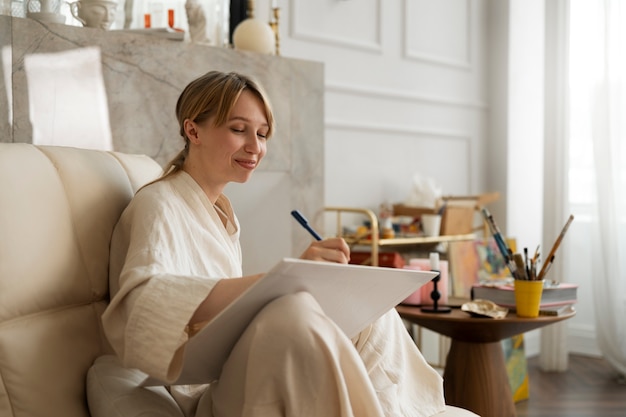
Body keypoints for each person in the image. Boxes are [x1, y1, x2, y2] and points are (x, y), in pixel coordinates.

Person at [100, 71, 472, 417]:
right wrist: (281, 282)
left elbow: (227, 313)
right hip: (206, 392)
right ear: (193, 131)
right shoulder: (159, 203)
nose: (254, 147)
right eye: (238, 129)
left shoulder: (219, 214)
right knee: (290, 317)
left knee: (368, 311)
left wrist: (304, 278)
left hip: (234, 369)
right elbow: (146, 302)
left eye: (262, 134)